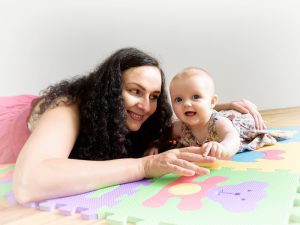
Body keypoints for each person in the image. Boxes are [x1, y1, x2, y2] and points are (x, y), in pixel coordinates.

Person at [0, 48, 265, 204]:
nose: (146, 106)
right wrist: (144, 166)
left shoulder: (134, 118)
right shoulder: (67, 106)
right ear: (110, 90)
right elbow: (28, 184)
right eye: (135, 91)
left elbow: (180, 119)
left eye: (153, 96)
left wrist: (215, 109)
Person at [169, 67, 290, 159]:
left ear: (212, 102)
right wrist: (156, 145)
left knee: (247, 123)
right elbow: (163, 137)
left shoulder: (217, 122)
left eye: (195, 97)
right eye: (178, 99)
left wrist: (223, 148)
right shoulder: (180, 127)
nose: (186, 104)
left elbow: (232, 138)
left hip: (239, 125)